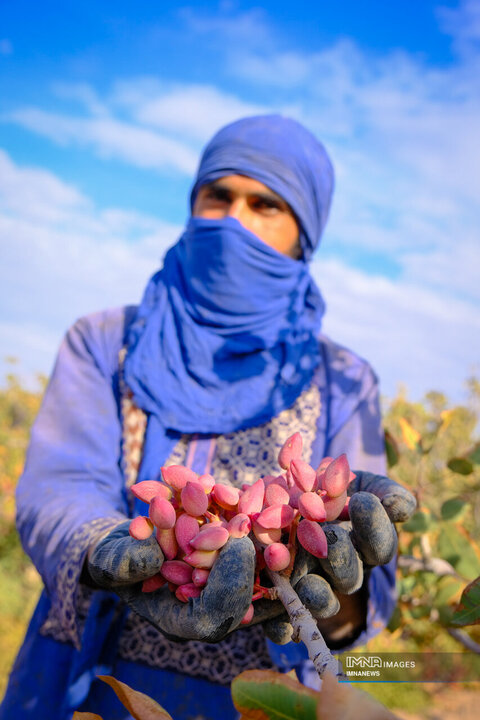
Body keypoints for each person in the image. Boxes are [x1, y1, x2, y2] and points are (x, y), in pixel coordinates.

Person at [0, 115, 416, 719]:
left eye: (265, 204)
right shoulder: (104, 340)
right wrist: (100, 548)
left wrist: (333, 584)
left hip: (253, 701)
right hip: (77, 681)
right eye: (217, 196)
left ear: (305, 233)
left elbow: (353, 598)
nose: (233, 221)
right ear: (193, 203)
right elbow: (59, 485)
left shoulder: (344, 378)